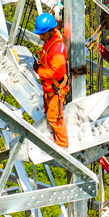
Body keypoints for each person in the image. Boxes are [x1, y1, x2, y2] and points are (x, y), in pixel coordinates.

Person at [33, 12, 69, 148]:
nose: (40, 37)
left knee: (54, 117)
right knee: (49, 109)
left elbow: (58, 71)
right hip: (50, 87)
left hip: (55, 88)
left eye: (42, 34)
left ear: (50, 31)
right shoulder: (52, 39)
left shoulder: (56, 50)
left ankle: (62, 143)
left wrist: (40, 71)